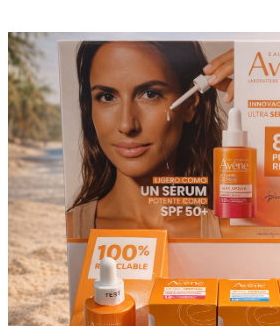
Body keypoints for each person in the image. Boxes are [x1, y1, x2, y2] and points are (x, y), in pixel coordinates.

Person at [67, 41, 235, 239]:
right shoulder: (69, 232)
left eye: (150, 94)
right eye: (107, 97)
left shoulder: (234, 233)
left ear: (189, 103)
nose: (126, 125)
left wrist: (261, 95)